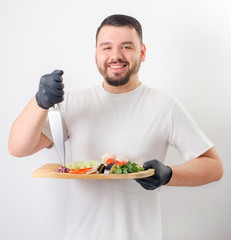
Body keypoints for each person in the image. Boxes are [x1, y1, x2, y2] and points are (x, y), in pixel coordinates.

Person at [8, 14, 223, 240]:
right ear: (96, 54)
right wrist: (39, 101)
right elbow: (18, 148)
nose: (116, 56)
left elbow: (214, 167)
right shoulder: (73, 103)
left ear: (143, 52)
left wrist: (169, 174)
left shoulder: (165, 106)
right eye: (106, 47)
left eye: (126, 47)